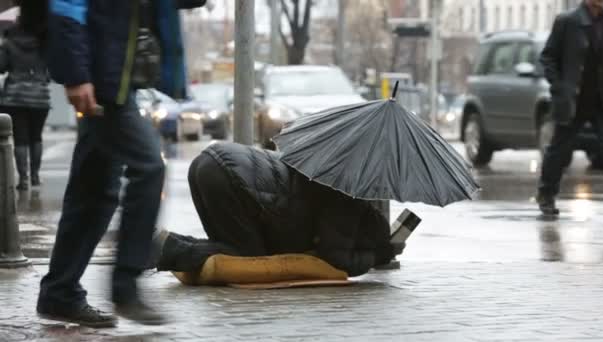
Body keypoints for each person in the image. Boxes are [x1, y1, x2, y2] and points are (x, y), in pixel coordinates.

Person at [37, 0, 206, 328]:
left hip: (118, 78)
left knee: (94, 191)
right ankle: (125, 286)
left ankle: (60, 291)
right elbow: (67, 7)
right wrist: (76, 74)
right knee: (148, 166)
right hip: (102, 79)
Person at [149, 142, 402, 278]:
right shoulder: (348, 200)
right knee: (247, 254)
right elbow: (335, 257)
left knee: (225, 245)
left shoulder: (328, 165)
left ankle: (161, 242)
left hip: (212, 161)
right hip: (229, 178)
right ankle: (159, 248)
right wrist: (376, 257)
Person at [537, 0, 603, 215]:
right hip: (573, 99)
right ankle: (546, 195)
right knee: (559, 150)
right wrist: (559, 88)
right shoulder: (568, 21)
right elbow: (547, 57)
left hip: (602, 99)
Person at [0, 2, 50, 191]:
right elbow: (51, 66)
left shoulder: (9, 41)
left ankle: (24, 180)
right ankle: (36, 177)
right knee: (36, 137)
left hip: (15, 97)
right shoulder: (43, 41)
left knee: (20, 138)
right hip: (40, 96)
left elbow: (1, 66)